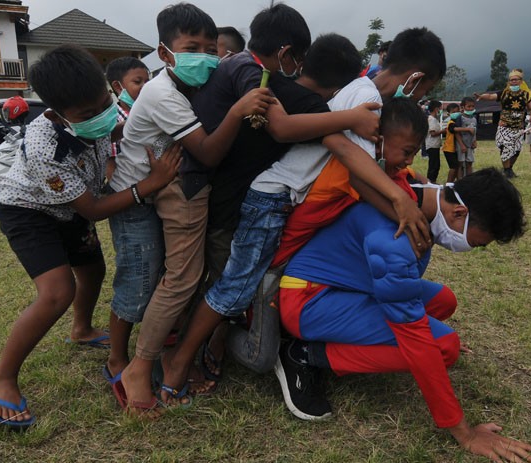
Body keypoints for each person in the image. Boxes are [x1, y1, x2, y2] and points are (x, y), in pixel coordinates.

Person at [134, 3, 394, 409]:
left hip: (225, 198)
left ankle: (197, 353)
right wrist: (350, 118)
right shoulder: (248, 72)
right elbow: (284, 127)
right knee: (217, 285)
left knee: (220, 282)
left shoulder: (248, 70)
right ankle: (168, 359)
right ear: (289, 54)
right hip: (216, 200)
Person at [0, 45, 181, 429]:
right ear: (56, 114)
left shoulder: (101, 112)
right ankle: (1, 377)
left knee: (93, 271)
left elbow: (118, 128)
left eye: (105, 103)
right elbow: (92, 209)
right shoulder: (44, 146)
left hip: (68, 207)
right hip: (29, 211)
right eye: (88, 115)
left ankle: (82, 328)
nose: (102, 116)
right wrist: (149, 184)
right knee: (57, 291)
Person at [274, 168, 531, 463]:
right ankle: (305, 354)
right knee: (443, 347)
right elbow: (416, 340)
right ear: (459, 213)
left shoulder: (416, 195)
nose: (473, 249)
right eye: (477, 243)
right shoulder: (394, 242)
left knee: (443, 302)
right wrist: (466, 433)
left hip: (348, 283)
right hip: (309, 300)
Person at [109, 2, 275, 414]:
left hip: (171, 184)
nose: (203, 57)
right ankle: (138, 366)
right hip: (168, 187)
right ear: (165, 53)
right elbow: (208, 152)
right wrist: (238, 109)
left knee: (177, 275)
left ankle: (162, 353)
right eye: (191, 47)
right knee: (178, 279)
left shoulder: (187, 84)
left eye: (208, 48)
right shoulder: (164, 93)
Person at [272, 27, 446, 268]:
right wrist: (402, 210)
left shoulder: (359, 87)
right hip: (291, 196)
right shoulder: (368, 99)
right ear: (414, 79)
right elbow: (360, 179)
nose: (420, 97)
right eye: (425, 90)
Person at [475, 70, 531, 178]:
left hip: (518, 127)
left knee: (516, 150)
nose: (513, 82)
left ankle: (509, 168)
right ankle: (507, 170)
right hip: (505, 126)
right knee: (505, 147)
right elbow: (490, 96)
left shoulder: (526, 95)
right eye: (511, 80)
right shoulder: (504, 93)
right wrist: (481, 97)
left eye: (516, 80)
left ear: (521, 81)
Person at [104, 57, 151, 181]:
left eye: (147, 81)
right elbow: (111, 164)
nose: (145, 87)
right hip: (131, 187)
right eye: (137, 82)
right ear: (118, 87)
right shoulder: (113, 120)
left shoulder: (152, 110)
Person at [456, 97, 478, 179]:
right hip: (460, 144)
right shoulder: (459, 118)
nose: (471, 108)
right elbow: (456, 132)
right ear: (463, 107)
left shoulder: (474, 119)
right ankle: (460, 180)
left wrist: (475, 141)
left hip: (470, 145)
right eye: (469, 106)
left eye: (472, 106)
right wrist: (461, 145)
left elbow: (475, 131)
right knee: (460, 163)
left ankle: (469, 180)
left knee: (469, 162)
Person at [441, 103, 460, 183]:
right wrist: (468, 129)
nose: (456, 114)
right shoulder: (451, 123)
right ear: (449, 113)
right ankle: (448, 183)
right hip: (449, 149)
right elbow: (453, 130)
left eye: (457, 112)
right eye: (454, 112)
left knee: (457, 167)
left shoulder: (456, 122)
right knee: (453, 167)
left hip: (453, 149)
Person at [425, 100, 443, 182]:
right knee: (434, 165)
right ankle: (431, 181)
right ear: (436, 109)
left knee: (436, 164)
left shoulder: (434, 119)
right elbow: (432, 133)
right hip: (432, 145)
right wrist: (443, 131)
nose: (440, 110)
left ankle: (432, 180)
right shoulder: (431, 119)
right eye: (440, 108)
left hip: (435, 145)